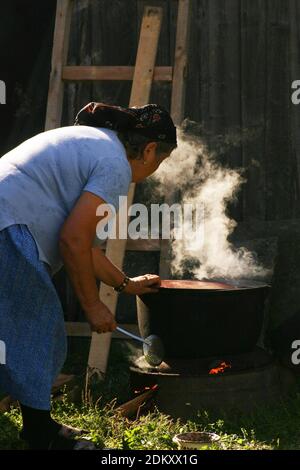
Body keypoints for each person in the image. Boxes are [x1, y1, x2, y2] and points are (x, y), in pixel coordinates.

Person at [0, 102, 177, 449]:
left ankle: (37, 425)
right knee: (40, 329)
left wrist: (126, 285)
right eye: (161, 160)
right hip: (8, 228)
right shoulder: (115, 166)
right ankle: (40, 433)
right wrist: (93, 306)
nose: (157, 168)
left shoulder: (96, 143)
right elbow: (73, 240)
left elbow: (87, 249)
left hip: (6, 220)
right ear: (150, 149)